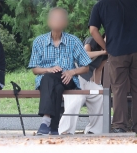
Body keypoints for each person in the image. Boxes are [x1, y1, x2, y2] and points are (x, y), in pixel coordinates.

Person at [89, 0, 137, 134]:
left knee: (119, 89)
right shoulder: (134, 0)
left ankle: (119, 126)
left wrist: (106, 48)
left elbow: (93, 30)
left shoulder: (99, 6)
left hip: (116, 52)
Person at [29, 8, 92, 136]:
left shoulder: (73, 41)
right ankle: (53, 127)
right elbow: (35, 69)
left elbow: (86, 67)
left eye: (60, 19)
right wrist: (48, 69)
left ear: (65, 22)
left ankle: (45, 122)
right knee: (52, 82)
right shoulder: (39, 41)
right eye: (54, 18)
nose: (57, 22)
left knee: (52, 80)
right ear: (49, 21)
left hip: (66, 79)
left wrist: (72, 72)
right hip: (46, 81)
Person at [58, 35, 108, 135]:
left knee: (100, 95)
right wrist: (103, 51)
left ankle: (94, 130)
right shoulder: (93, 40)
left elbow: (97, 71)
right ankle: (65, 130)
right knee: (77, 98)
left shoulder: (107, 54)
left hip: (86, 80)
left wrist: (98, 86)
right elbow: (85, 54)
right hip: (74, 75)